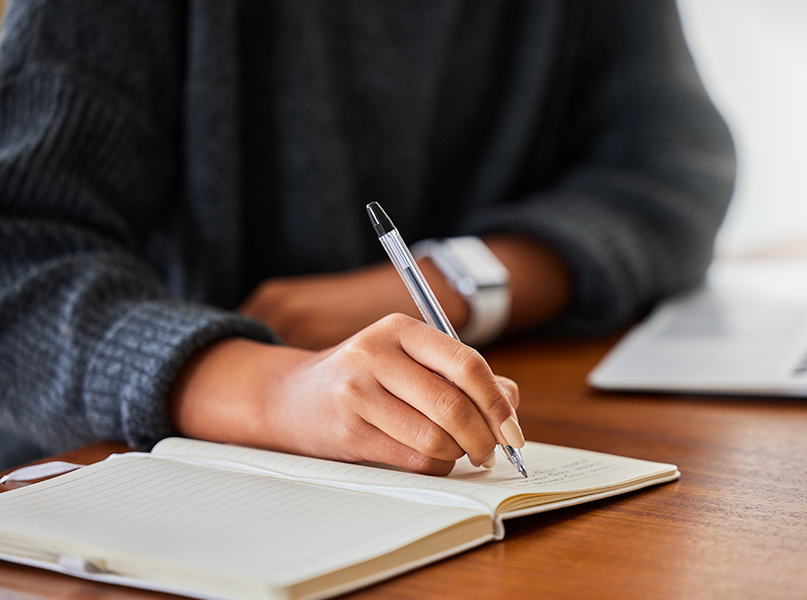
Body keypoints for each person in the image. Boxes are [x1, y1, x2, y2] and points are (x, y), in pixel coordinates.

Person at [0, 0, 735, 473]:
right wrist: (279, 389)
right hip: (122, 468)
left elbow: (672, 171)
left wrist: (450, 283)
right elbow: (20, 254)